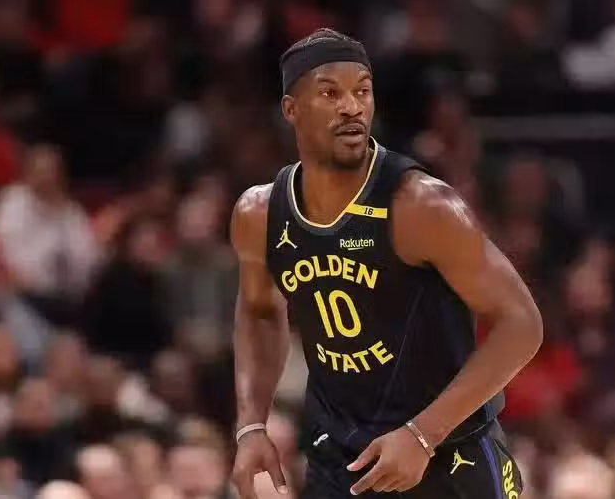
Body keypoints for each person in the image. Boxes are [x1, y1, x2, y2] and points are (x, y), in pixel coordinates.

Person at [229, 28, 543, 499]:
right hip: (341, 460)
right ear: (291, 110)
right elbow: (258, 310)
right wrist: (251, 424)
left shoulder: (421, 205)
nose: (351, 107)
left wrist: (422, 434)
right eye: (330, 94)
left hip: (447, 454)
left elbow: (522, 324)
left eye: (362, 91)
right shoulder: (259, 214)